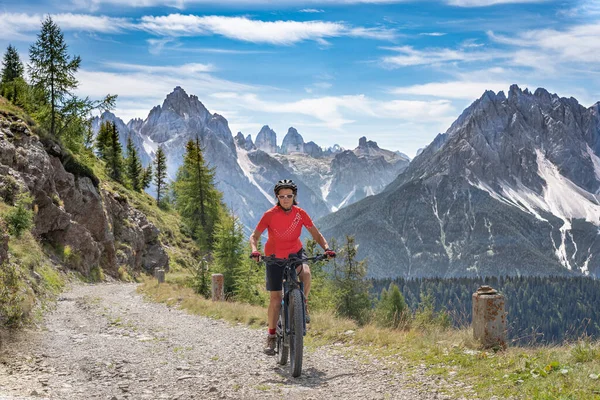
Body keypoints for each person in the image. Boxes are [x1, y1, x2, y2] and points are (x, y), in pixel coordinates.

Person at [250, 179, 336, 355]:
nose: (286, 199)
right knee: (275, 299)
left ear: (294, 196)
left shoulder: (300, 213)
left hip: (295, 252)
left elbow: (316, 234)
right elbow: (254, 236)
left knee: (305, 272)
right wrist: (255, 250)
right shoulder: (270, 215)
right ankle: (272, 337)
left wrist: (326, 248)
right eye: (282, 196)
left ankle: (302, 303)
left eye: (289, 196)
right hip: (274, 256)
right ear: (277, 197)